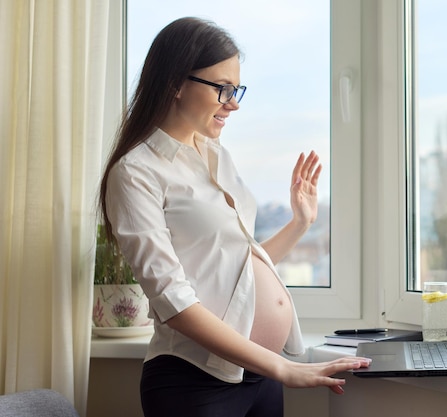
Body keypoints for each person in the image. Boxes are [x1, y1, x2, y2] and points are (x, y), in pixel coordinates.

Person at [98, 17, 370, 417]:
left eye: (236, 89)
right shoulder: (136, 172)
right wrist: (284, 367)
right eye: (223, 89)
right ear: (176, 82)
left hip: (258, 376)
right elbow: (173, 301)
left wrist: (299, 223)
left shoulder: (215, 155)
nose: (234, 103)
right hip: (195, 383)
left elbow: (236, 270)